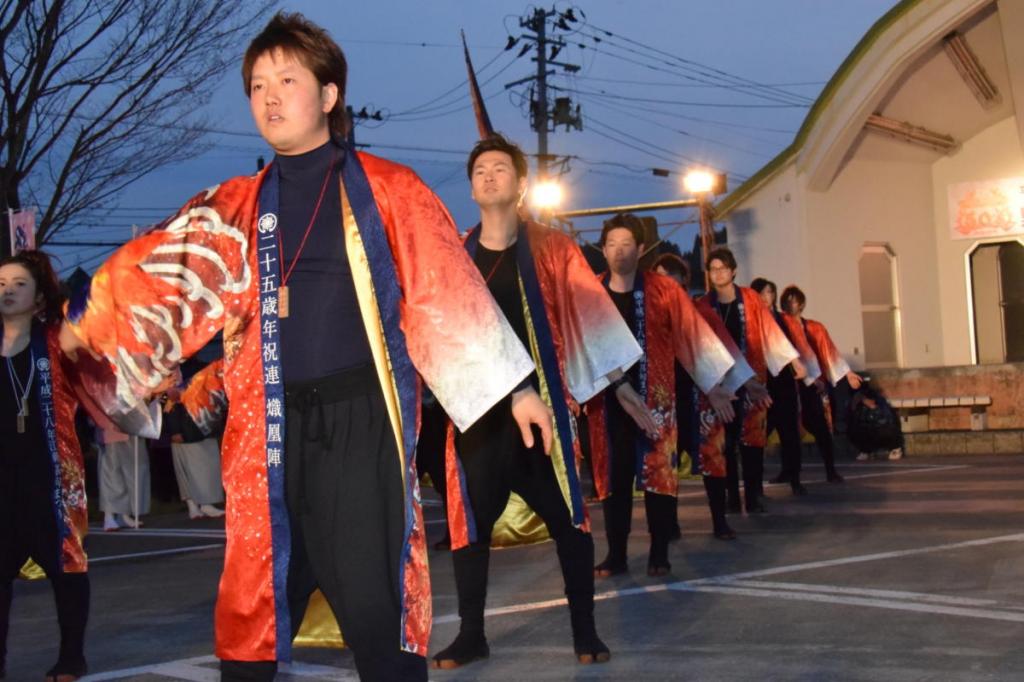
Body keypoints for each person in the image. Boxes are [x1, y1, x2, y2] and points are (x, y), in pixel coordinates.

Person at [58, 14, 551, 681]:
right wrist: (85, 327)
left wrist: (515, 388)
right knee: (253, 608)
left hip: (360, 424)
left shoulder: (388, 190)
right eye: (258, 84)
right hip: (268, 428)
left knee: (377, 610)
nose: (269, 96)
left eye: (287, 79)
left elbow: (444, 286)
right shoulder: (232, 205)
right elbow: (159, 277)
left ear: (328, 95)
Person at [433, 133, 651, 669]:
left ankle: (585, 631)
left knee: (569, 523)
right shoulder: (457, 256)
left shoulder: (552, 248)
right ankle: (471, 634)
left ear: (522, 184)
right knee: (470, 529)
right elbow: (442, 331)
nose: (488, 175)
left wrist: (619, 387)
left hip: (545, 415)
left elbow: (587, 321)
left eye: (499, 168)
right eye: (479, 169)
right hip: (479, 416)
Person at [587, 215, 743, 577]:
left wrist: (714, 384)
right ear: (603, 249)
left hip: (655, 399)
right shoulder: (590, 291)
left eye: (626, 244)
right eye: (611, 244)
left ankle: (659, 550)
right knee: (614, 478)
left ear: (641, 249)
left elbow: (692, 335)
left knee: (659, 476)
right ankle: (617, 553)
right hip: (607, 403)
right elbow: (576, 343)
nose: (618, 251)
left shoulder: (663, 290)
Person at [1, 250, 90, 681]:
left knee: (66, 567)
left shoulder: (56, 340)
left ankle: (71, 656)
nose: (7, 291)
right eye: (0, 283)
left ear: (38, 298)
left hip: (50, 475)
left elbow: (100, 372)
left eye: (19, 284)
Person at [695, 248, 801, 514]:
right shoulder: (703, 305)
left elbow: (769, 329)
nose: (718, 273)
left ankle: (754, 496)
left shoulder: (751, 299)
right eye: (713, 269)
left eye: (723, 268)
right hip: (721, 383)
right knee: (726, 443)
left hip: (752, 379)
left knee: (753, 441)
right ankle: (731, 497)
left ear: (733, 271)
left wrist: (792, 360)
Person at [780, 285, 861, 483]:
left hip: (812, 384)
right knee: (785, 429)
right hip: (787, 383)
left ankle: (830, 469)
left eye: (795, 300)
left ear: (801, 303)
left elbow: (829, 351)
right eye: (788, 300)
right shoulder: (780, 324)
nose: (792, 304)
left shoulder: (814, 328)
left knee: (819, 427)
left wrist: (848, 372)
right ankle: (788, 471)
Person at [750, 278, 820, 496]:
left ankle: (794, 476)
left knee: (789, 432)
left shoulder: (783, 320)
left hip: (785, 383)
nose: (766, 297)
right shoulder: (752, 321)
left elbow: (798, 347)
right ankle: (756, 485)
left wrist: (811, 374)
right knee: (758, 434)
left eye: (770, 292)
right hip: (762, 383)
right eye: (761, 293)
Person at [163, 361, 226, 519]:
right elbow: (168, 403)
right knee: (185, 470)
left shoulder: (197, 367)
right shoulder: (167, 373)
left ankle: (205, 503)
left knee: (206, 467)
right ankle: (194, 505)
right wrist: (175, 429)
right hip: (183, 427)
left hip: (203, 422)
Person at [96, 424, 150, 530]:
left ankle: (124, 515)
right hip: (110, 431)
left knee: (130, 474)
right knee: (111, 475)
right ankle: (109, 516)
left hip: (131, 431)